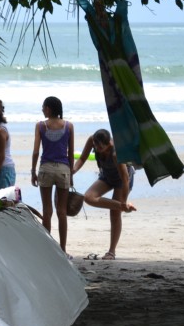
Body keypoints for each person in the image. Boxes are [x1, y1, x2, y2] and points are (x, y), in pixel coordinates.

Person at [73, 128, 137, 260]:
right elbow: (82, 158)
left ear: (109, 144)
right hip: (106, 176)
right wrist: (72, 171)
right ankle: (123, 207)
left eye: (100, 146)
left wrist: (123, 200)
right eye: (95, 145)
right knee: (88, 197)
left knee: (114, 214)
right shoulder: (92, 140)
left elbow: (125, 179)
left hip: (122, 180)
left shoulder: (115, 154)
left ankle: (111, 252)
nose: (97, 148)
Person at [31, 96, 74, 254]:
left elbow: (36, 151)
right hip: (63, 169)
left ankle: (47, 250)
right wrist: (72, 174)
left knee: (47, 211)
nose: (42, 109)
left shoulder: (41, 126)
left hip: (46, 169)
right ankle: (62, 249)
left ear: (48, 108)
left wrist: (32, 171)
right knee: (62, 211)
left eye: (43, 107)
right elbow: (70, 153)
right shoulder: (69, 126)